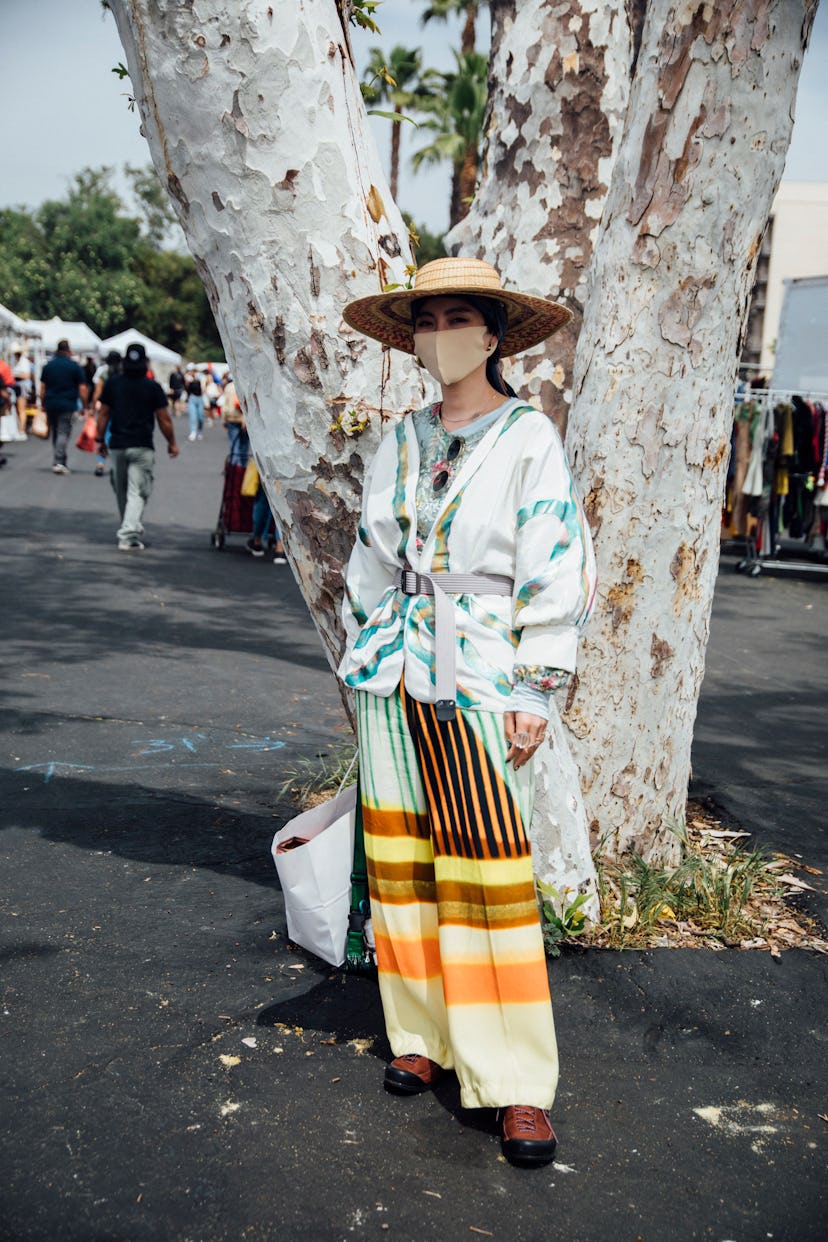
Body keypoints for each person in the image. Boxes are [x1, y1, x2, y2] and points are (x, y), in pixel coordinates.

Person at [338, 257, 597, 1166]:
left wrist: (537, 686)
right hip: (395, 668)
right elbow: (369, 557)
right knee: (401, 861)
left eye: (457, 317)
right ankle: (422, 1035)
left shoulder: (529, 436)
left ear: (492, 335)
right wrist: (364, 644)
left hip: (486, 670)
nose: (439, 333)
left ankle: (516, 1084)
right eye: (426, 318)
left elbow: (556, 560)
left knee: (488, 873)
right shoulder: (402, 437)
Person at [95, 341, 179, 551]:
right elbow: (164, 419)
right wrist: (172, 443)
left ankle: (129, 527)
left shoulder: (113, 384)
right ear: (146, 363)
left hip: (117, 445)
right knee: (137, 491)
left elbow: (103, 413)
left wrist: (99, 439)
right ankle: (129, 534)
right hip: (142, 445)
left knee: (121, 490)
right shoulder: (152, 387)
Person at [40, 340, 88, 474]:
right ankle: (59, 461)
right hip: (67, 403)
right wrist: (85, 406)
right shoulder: (74, 367)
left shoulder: (48, 366)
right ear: (68, 351)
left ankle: (59, 458)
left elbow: (43, 387)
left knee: (56, 431)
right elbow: (82, 388)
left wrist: (42, 403)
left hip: (51, 402)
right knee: (63, 432)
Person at [91, 351, 122, 476]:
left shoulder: (104, 373)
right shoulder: (123, 373)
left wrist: (93, 406)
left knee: (103, 434)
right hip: (120, 408)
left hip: (105, 407)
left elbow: (98, 391)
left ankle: (101, 462)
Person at [220, 374, 249, 464]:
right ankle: (243, 468)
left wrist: (224, 420)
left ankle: (235, 467)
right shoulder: (247, 385)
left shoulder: (228, 387)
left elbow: (224, 406)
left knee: (234, 445)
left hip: (232, 418)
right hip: (246, 421)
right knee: (244, 447)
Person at [186, 371, 204, 441]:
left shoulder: (201, 383)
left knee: (200, 417)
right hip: (192, 399)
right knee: (193, 416)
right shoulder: (191, 383)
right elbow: (187, 390)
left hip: (200, 399)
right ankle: (193, 431)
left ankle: (200, 431)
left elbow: (203, 391)